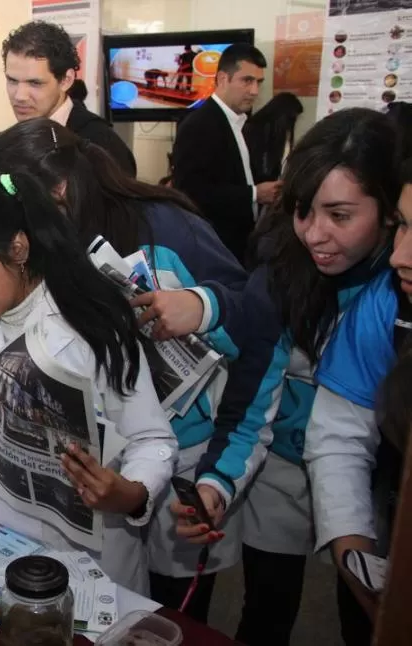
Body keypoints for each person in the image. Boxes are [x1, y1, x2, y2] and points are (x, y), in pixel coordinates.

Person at [0, 118, 248, 619]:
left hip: (160, 485)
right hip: (19, 528)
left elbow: (249, 327)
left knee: (160, 608)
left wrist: (134, 492)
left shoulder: (148, 247)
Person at [177, 108, 399, 646]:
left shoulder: (396, 288)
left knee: (368, 615)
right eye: (303, 211)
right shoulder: (280, 276)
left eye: (340, 216)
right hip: (280, 470)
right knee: (269, 606)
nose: (315, 234)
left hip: (376, 485)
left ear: (391, 211)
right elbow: (251, 405)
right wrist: (213, 486)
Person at [0, 172, 177, 594]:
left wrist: (130, 493)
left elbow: (152, 439)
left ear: (18, 248)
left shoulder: (90, 322)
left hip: (90, 552)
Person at [303, 157, 412, 646]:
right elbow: (339, 438)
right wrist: (355, 561)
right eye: (405, 227)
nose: (399, 257)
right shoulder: (386, 302)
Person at [172, 44, 281, 264]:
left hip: (242, 245)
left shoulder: (243, 124)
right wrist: (254, 194)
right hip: (215, 249)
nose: (254, 91)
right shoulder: (199, 125)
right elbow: (190, 192)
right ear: (222, 79)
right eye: (247, 81)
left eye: (259, 82)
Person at [1, 21, 137, 177]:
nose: (20, 96)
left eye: (35, 83)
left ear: (66, 80)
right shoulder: (6, 144)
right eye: (12, 81)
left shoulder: (102, 146)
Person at [243, 92, 304, 184]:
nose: (292, 124)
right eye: (292, 119)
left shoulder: (281, 133)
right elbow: (260, 169)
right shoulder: (253, 131)